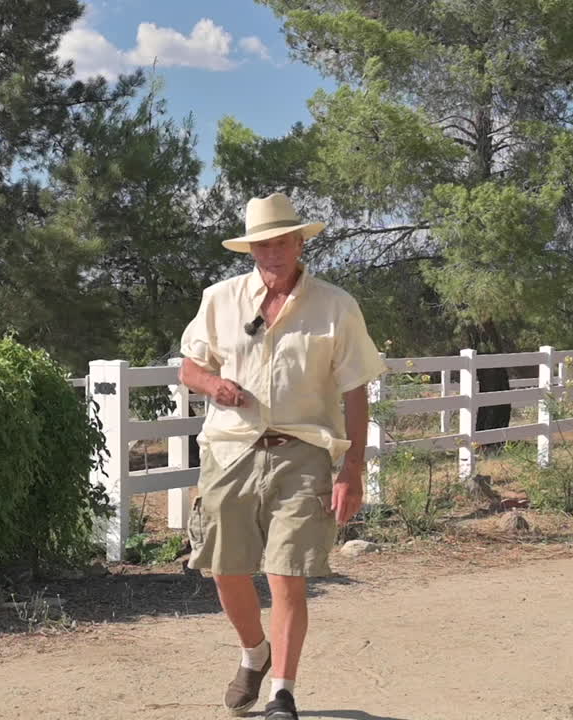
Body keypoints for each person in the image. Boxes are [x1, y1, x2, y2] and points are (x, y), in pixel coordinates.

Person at [178, 192, 387, 719]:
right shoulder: (220, 299)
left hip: (304, 451)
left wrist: (353, 468)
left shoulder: (335, 305)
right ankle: (255, 653)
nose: (272, 252)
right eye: (262, 244)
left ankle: (283, 694)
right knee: (225, 569)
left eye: (282, 241)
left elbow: (356, 389)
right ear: (251, 249)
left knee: (286, 572)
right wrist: (214, 385)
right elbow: (190, 367)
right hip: (230, 450)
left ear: (300, 243)